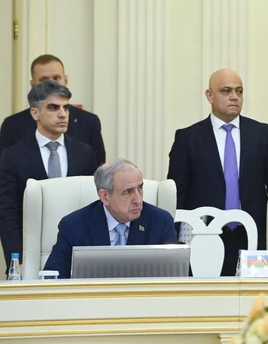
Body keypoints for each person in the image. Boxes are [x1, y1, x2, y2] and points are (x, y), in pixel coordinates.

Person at [167, 68, 268, 276]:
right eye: (226, 91)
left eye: (239, 91)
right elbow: (178, 195)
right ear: (209, 96)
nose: (234, 97)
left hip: (254, 236)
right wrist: (175, 241)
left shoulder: (263, 134)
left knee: (253, 293)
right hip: (205, 235)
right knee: (209, 292)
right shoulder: (188, 138)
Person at [0, 81, 97, 268]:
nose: (63, 114)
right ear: (35, 113)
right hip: (30, 251)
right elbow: (7, 214)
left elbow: (92, 206)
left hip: (77, 252)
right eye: (53, 108)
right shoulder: (13, 156)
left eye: (66, 108)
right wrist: (16, 263)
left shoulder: (85, 153)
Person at [43, 159, 178, 278]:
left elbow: (179, 278)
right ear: (105, 196)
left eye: (140, 188)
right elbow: (53, 278)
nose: (138, 200)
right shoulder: (74, 226)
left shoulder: (160, 222)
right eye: (128, 192)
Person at [0, 55, 106, 165]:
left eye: (56, 78)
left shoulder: (88, 122)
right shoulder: (12, 125)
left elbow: (99, 169)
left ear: (65, 80)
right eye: (44, 80)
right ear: (33, 84)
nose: (52, 85)